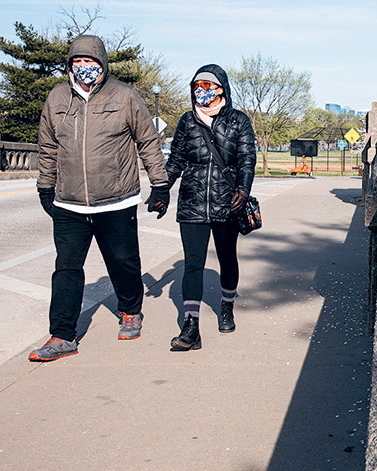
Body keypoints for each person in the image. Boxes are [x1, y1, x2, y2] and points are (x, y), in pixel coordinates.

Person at [30, 34, 170, 362]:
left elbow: (147, 141)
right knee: (66, 268)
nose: (83, 68)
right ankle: (62, 335)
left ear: (102, 65)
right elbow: (47, 146)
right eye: (77, 62)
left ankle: (130, 311)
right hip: (69, 202)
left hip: (116, 199)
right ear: (70, 66)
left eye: (89, 62)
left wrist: (159, 184)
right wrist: (45, 187)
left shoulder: (125, 96)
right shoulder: (57, 98)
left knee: (122, 261)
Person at [164, 64, 256, 351]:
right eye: (197, 86)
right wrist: (160, 189)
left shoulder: (238, 121)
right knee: (193, 264)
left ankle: (226, 306)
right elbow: (176, 160)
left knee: (227, 258)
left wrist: (243, 189)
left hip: (227, 202)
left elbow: (246, 159)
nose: (202, 92)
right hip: (192, 202)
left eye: (208, 86)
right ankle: (191, 327)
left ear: (221, 89)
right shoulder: (187, 121)